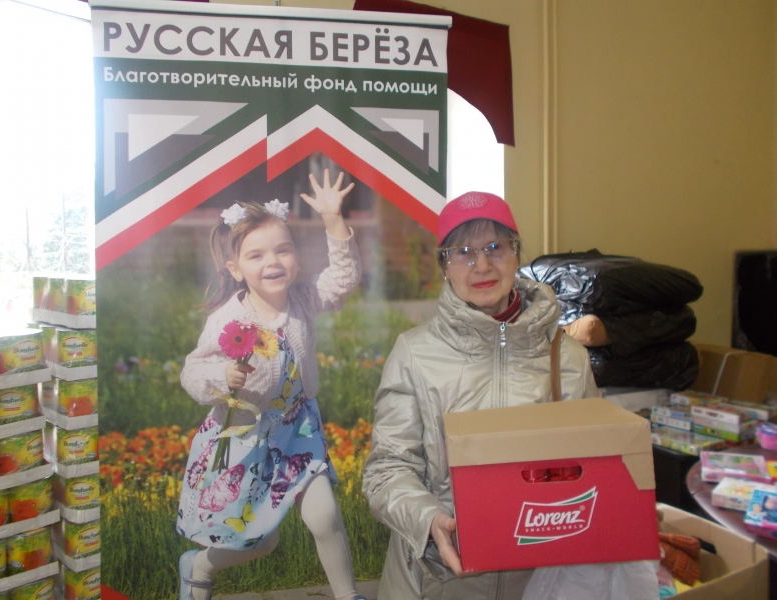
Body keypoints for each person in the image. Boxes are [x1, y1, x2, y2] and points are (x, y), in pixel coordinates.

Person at [361, 191, 599, 600]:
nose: (482, 265)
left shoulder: (568, 358)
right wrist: (428, 518)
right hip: (434, 581)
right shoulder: (415, 354)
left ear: (516, 253)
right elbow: (386, 469)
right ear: (444, 266)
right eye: (463, 252)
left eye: (495, 247)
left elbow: (593, 468)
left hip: (538, 582)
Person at [176, 170, 367, 600]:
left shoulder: (302, 300)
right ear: (235, 269)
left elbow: (344, 277)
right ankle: (200, 566)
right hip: (246, 438)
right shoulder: (227, 318)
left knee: (324, 515)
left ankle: (348, 596)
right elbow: (191, 371)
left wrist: (333, 219)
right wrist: (221, 378)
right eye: (256, 255)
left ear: (295, 256)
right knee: (260, 541)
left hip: (297, 429)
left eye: (283, 250)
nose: (273, 262)